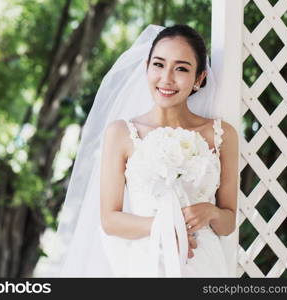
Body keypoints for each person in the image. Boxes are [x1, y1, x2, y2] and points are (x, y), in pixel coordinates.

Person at [50, 24, 239, 277]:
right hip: (147, 262)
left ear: (199, 78)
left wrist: (212, 212)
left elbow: (227, 224)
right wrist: (163, 228)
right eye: (159, 65)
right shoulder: (121, 133)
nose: (167, 78)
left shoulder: (221, 134)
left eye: (181, 68)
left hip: (204, 263)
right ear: (146, 68)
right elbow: (109, 219)